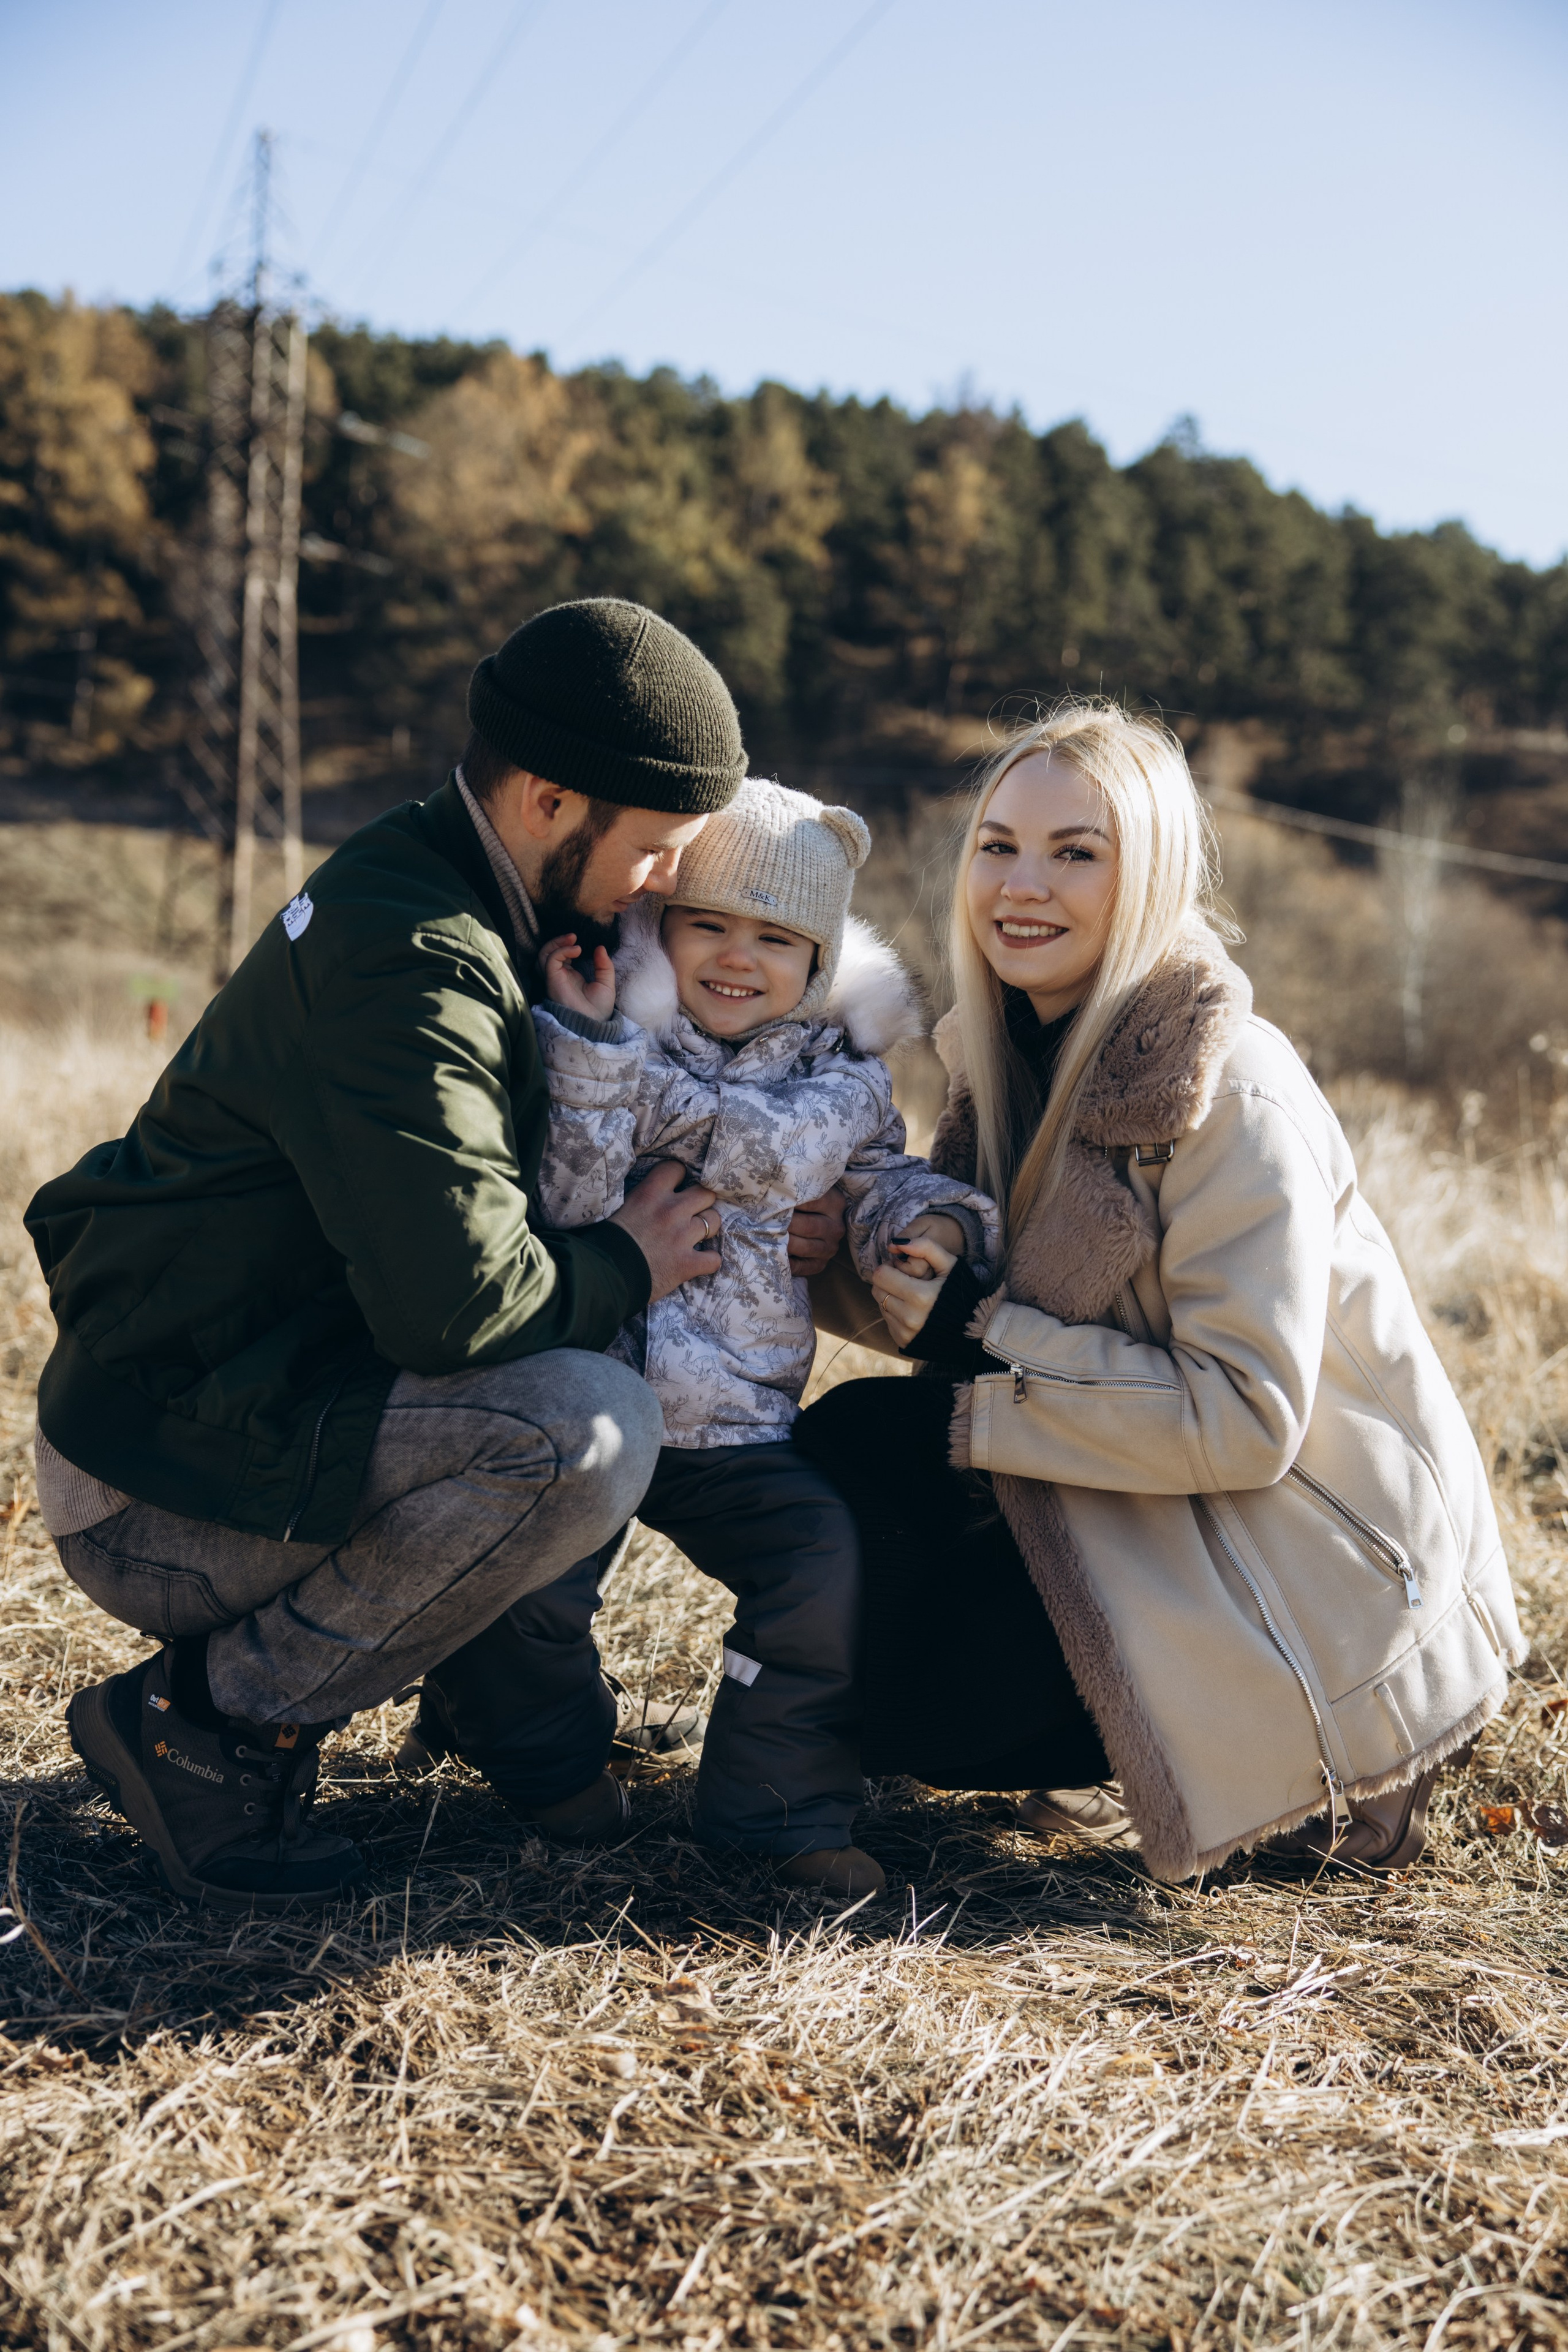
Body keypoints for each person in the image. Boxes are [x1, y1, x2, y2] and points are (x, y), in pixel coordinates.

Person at [26, 597, 840, 1912]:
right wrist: (629, 1260)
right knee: (583, 1431)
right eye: (652, 852)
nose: (661, 893)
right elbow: (459, 1312)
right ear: (545, 800)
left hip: (232, 1412)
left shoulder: (472, 897)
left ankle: (446, 1691)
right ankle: (209, 1730)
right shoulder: (412, 960)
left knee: (567, 1411)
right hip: (153, 1494)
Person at [796, 703, 1525, 1881]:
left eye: (1077, 852)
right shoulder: (1006, 1054)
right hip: (1152, 1500)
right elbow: (973, 1304)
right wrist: (822, 1251)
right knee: (843, 1455)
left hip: (1308, 1568)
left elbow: (1241, 1419)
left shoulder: (1227, 1089)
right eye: (999, 845)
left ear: (1153, 875)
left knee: (923, 1698)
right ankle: (855, 1724)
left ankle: (1331, 1768)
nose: (1021, 886)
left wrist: (973, 1327)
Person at [404, 778, 1000, 1899]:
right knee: (528, 1589)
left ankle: (771, 1808)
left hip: (739, 1421)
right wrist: (589, 1061)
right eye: (709, 925)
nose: (739, 957)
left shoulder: (847, 1085)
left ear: (819, 965)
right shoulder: (604, 1042)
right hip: (589, 1391)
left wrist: (926, 1223)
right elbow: (563, 1202)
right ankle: (543, 1766)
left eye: (777, 938)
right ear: (657, 928)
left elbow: (878, 1183)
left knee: (823, 1560)